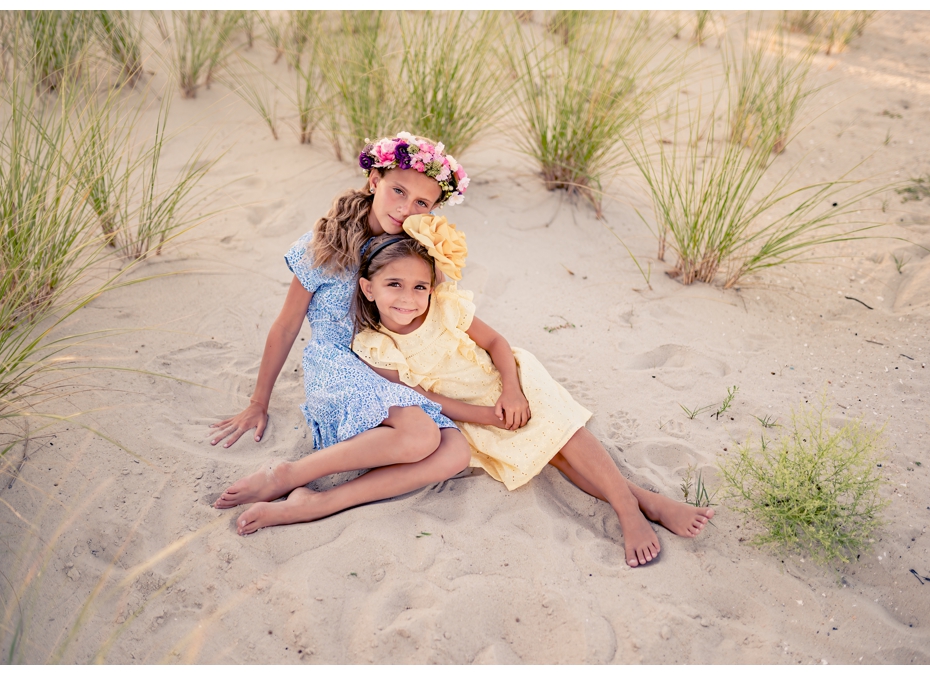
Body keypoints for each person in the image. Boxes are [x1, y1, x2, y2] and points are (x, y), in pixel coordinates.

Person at [351, 218, 714, 566]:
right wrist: (484, 416)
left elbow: (495, 341)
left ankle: (627, 509)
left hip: (510, 383)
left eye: (419, 287)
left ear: (431, 287)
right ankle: (650, 502)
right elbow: (423, 398)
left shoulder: (444, 308)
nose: (408, 298)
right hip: (470, 413)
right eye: (393, 285)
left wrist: (512, 391)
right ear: (369, 288)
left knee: (563, 433)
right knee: (550, 454)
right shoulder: (375, 347)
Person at [210, 132, 473, 536]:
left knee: (455, 452)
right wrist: (257, 402)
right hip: (337, 364)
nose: (405, 209)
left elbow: (434, 309)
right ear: (374, 181)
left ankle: (320, 501)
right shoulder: (323, 245)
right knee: (421, 435)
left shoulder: (414, 247)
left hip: (386, 363)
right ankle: (287, 474)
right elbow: (286, 326)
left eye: (420, 202)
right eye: (397, 191)